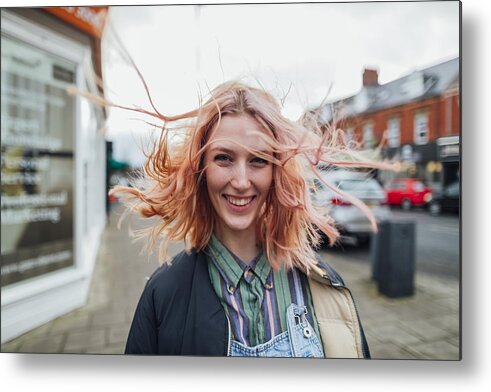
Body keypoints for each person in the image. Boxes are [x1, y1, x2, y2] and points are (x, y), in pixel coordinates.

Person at [112, 80, 372, 358]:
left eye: (258, 160)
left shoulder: (327, 290)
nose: (241, 181)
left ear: (276, 172)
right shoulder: (162, 295)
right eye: (224, 158)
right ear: (201, 169)